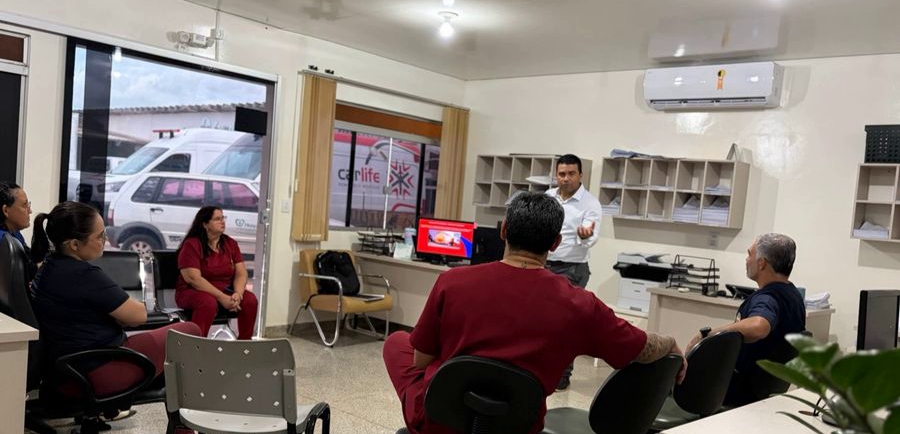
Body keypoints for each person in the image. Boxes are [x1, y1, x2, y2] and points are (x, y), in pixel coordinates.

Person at [383, 192, 685, 434]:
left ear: (503, 230)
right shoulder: (581, 304)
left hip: (439, 420)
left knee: (398, 342)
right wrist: (670, 342)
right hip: (520, 425)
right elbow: (641, 348)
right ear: (556, 242)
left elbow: (420, 360)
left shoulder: (452, 282)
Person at [30, 201, 201, 399]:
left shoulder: (49, 267)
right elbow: (138, 315)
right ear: (75, 244)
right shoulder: (84, 275)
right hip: (97, 369)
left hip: (66, 371)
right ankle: (187, 412)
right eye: (99, 236)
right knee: (190, 330)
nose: (105, 240)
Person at [685, 233, 806, 406]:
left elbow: (759, 325)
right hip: (764, 392)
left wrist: (708, 335)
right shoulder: (794, 296)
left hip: (738, 393)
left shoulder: (767, 298)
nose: (746, 259)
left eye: (749, 254)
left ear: (761, 263)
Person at [544, 154, 603, 389]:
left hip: (571, 268)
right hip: (545, 264)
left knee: (563, 324)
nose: (565, 178)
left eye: (571, 174)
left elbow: (591, 236)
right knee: (542, 321)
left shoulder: (590, 203)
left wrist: (584, 235)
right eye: (561, 174)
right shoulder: (549, 197)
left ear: (580, 175)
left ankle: (562, 375)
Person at [175, 205, 258, 339]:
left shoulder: (230, 243)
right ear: (205, 224)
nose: (222, 222)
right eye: (217, 219)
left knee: (250, 300)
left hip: (225, 291)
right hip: (193, 291)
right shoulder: (192, 244)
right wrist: (222, 297)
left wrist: (238, 294)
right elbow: (193, 279)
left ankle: (244, 344)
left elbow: (241, 273)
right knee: (208, 302)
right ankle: (196, 344)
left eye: (223, 218)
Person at [0, 181, 36, 280]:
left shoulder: (15, 234)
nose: (30, 211)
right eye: (25, 205)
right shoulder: (4, 242)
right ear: (6, 210)